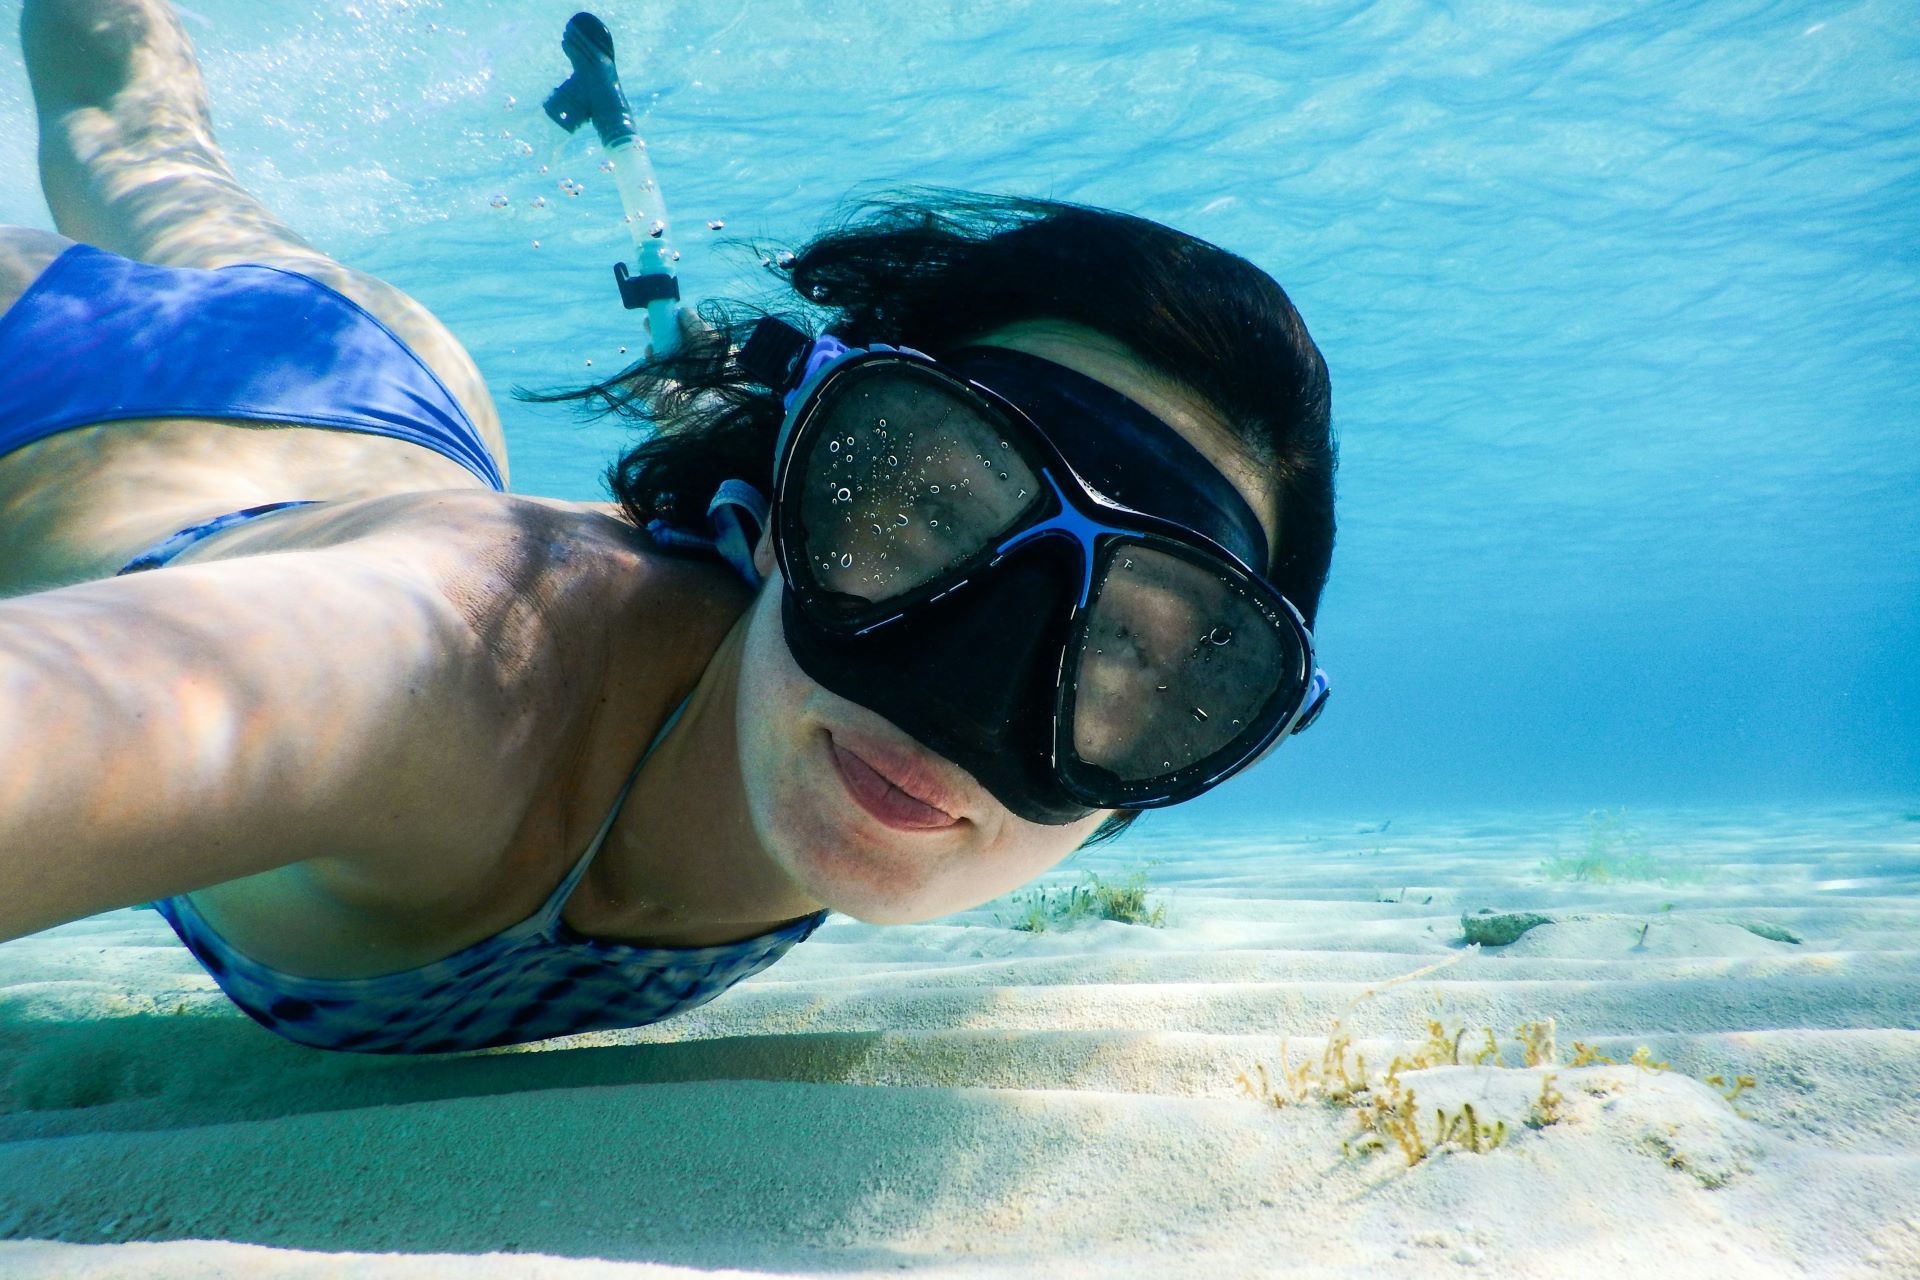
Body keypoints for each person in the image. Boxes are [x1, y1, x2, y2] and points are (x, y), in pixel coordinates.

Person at [0, 0, 1337, 1054]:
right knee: (120, 128)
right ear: (782, 508)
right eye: (932, 508)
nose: (961, 702)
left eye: (1137, 659)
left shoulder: (816, 738)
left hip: (395, 395)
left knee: (132, 132)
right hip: (63, 402)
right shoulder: (467, 665)